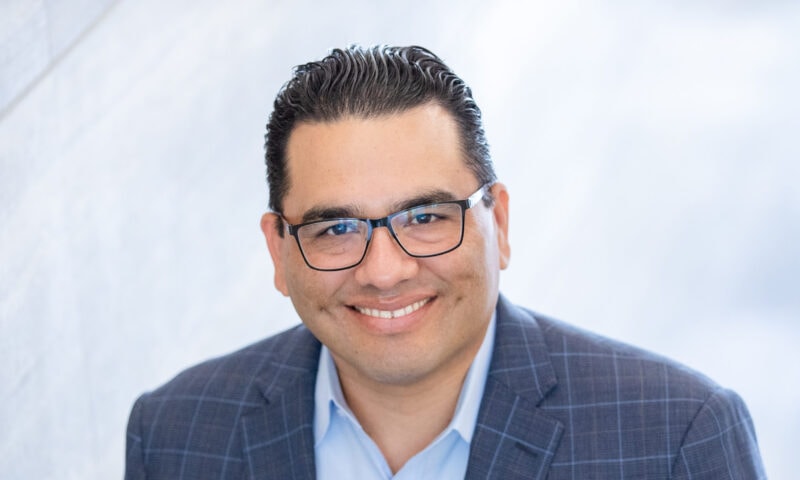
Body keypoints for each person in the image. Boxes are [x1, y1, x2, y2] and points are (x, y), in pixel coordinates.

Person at [125, 45, 765, 479]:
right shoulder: (177, 436)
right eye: (337, 228)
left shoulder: (675, 437)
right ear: (279, 250)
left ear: (500, 224)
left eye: (425, 218)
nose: (383, 270)